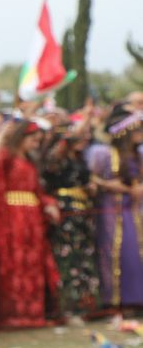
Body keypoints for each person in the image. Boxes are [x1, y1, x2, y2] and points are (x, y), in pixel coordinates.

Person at [0, 118, 58, 328]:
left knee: (32, 264)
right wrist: (2, 135)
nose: (36, 144)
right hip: (13, 216)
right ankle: (12, 314)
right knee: (14, 262)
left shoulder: (29, 161)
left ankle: (33, 314)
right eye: (33, 140)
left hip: (32, 219)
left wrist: (48, 204)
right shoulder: (6, 157)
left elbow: (37, 191)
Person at [41, 125, 99, 323]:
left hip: (83, 210)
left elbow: (85, 180)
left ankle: (86, 305)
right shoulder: (56, 160)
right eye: (76, 139)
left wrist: (90, 187)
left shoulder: (79, 159)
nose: (82, 141)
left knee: (84, 256)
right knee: (68, 256)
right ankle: (67, 307)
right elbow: (48, 177)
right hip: (66, 212)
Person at [88, 109, 143, 310]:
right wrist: (107, 185)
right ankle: (113, 300)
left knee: (134, 250)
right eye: (136, 130)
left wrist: (138, 188)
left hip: (133, 209)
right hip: (111, 209)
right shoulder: (103, 154)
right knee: (112, 250)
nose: (140, 134)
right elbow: (92, 178)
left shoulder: (138, 156)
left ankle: (135, 298)